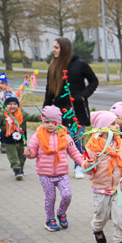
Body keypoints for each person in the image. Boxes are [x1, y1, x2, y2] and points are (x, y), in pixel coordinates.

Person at [84, 111, 122, 243]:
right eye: (113, 124)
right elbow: (88, 170)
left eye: (117, 123)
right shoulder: (92, 146)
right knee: (101, 216)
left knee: (120, 215)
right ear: (101, 128)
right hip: (100, 189)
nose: (117, 125)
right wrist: (88, 164)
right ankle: (97, 228)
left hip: (120, 188)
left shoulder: (120, 143)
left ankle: (120, 242)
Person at [43, 37, 98, 179]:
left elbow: (94, 81)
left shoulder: (79, 64)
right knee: (59, 138)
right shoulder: (53, 65)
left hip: (76, 109)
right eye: (53, 47)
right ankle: (58, 166)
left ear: (64, 49)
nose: (53, 50)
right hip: (58, 110)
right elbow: (49, 89)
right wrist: (46, 109)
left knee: (76, 138)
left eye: (56, 47)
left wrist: (83, 95)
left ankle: (79, 165)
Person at [24, 106, 86, 230]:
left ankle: (61, 213)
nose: (51, 125)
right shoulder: (37, 136)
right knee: (50, 198)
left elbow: (74, 153)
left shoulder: (66, 137)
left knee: (67, 195)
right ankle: (50, 219)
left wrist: (84, 163)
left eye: (54, 122)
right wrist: (29, 153)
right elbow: (33, 154)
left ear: (59, 122)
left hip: (62, 173)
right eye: (47, 122)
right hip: (45, 174)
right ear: (42, 122)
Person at [0, 94, 41, 180]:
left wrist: (41, 117)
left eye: (15, 104)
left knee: (22, 155)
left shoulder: (22, 113)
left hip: (22, 139)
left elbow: (31, 117)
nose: (12, 106)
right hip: (9, 139)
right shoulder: (2, 114)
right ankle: (17, 170)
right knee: (13, 156)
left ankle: (21, 168)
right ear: (5, 105)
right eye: (10, 104)